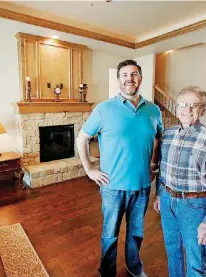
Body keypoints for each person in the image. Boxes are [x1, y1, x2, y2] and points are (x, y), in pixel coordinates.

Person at [76, 60, 163, 277]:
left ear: (140, 78)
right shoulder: (104, 109)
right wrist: (89, 169)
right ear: (118, 80)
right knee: (110, 234)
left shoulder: (153, 110)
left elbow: (158, 137)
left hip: (142, 185)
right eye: (124, 75)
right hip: (112, 186)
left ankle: (134, 267)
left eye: (134, 74)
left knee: (136, 233)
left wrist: (154, 162)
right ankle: (107, 271)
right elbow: (82, 139)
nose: (129, 79)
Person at [153, 86, 206, 277]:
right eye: (183, 104)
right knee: (172, 252)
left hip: (194, 206)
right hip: (167, 202)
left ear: (202, 110)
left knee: (195, 261)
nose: (187, 109)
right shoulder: (167, 135)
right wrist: (159, 195)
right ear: (177, 107)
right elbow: (163, 169)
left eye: (193, 105)